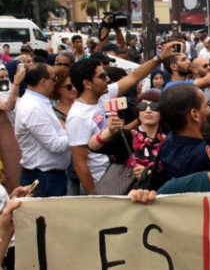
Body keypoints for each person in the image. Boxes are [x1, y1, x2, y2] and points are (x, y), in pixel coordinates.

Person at [67, 41, 181, 194]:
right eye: (102, 77)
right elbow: (79, 164)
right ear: (87, 83)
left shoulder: (103, 95)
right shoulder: (77, 116)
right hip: (100, 184)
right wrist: (93, 197)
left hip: (118, 175)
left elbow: (135, 76)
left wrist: (159, 59)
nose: (108, 79)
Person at [89, 90, 167, 189]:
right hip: (128, 196)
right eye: (143, 106)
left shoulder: (169, 141)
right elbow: (93, 147)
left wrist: (149, 173)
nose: (148, 110)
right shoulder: (127, 136)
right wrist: (109, 131)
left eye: (154, 106)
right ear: (138, 113)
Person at [14, 63, 70, 197]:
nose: (55, 83)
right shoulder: (32, 106)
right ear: (43, 82)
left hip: (48, 176)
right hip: (44, 178)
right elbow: (55, 145)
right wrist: (80, 135)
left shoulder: (38, 102)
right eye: (54, 79)